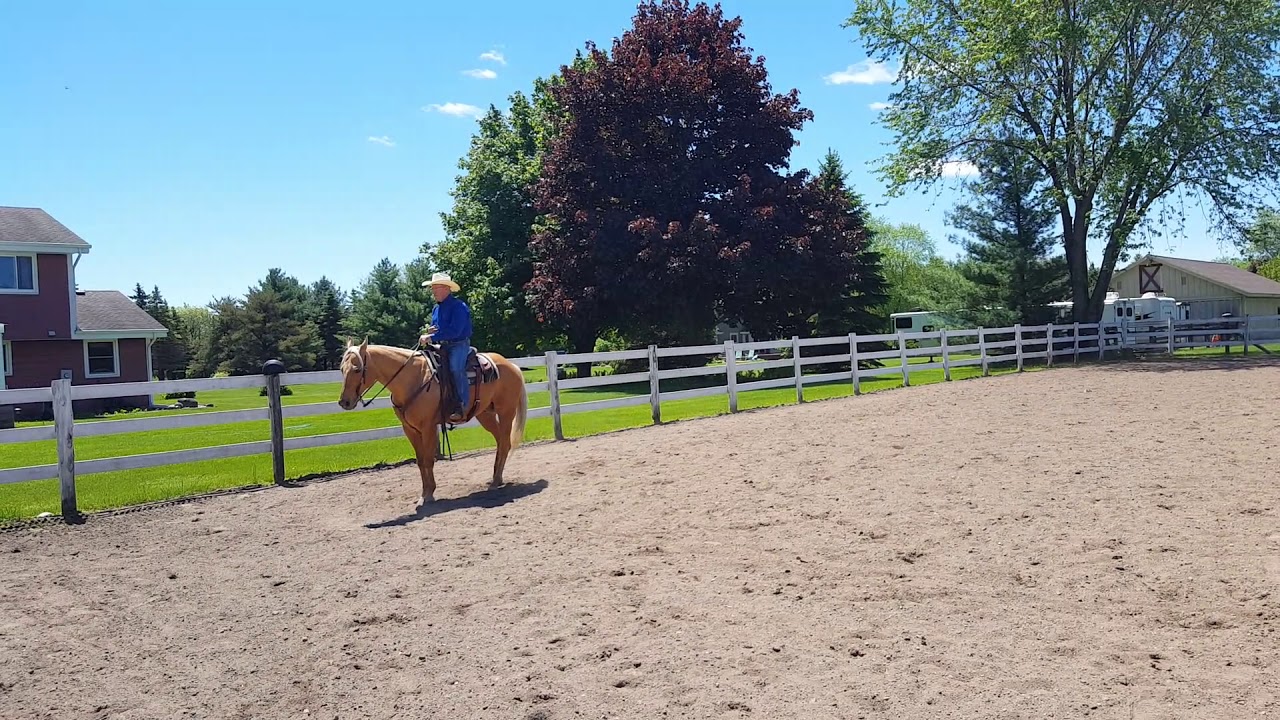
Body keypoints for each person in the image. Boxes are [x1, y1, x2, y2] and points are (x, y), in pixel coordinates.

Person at [419, 272, 473, 421]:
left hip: (458, 345)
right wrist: (431, 331)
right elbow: (437, 328)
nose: (433, 292)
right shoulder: (436, 309)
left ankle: (462, 405)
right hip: (441, 346)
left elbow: (455, 331)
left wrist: (431, 337)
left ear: (446, 289)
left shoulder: (459, 307)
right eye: (433, 288)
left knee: (456, 369)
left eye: (436, 288)